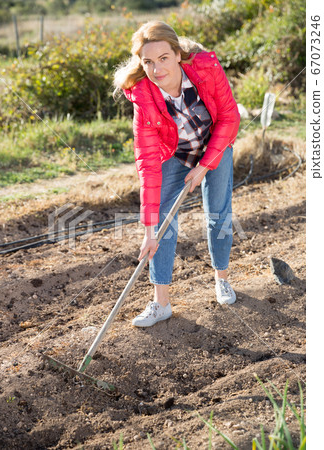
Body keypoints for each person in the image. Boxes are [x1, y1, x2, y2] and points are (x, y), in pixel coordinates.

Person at [113, 21, 240, 327]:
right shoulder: (143, 97)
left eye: (164, 58)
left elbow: (229, 117)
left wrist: (205, 165)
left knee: (218, 212)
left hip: (215, 144)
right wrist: (148, 230)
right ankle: (161, 304)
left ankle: (221, 278)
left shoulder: (206, 68)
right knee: (162, 223)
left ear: (178, 54)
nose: (157, 69)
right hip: (175, 152)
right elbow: (147, 162)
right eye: (148, 62)